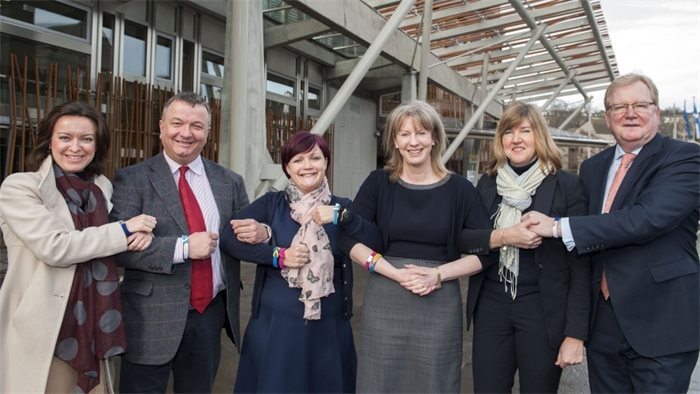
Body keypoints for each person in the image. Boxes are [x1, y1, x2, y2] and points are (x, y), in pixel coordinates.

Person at [523, 73, 700, 393]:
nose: (629, 113)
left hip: (662, 322)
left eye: (640, 105)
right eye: (619, 106)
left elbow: (647, 219)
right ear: (607, 117)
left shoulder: (685, 158)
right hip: (603, 324)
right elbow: (586, 245)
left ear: (657, 112)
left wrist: (557, 226)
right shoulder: (592, 168)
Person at [109, 92, 267, 393]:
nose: (186, 133)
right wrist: (181, 248)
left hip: (209, 313)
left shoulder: (229, 181)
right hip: (150, 317)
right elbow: (118, 248)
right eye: (177, 123)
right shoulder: (133, 179)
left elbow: (242, 236)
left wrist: (263, 232)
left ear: (207, 132)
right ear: (161, 126)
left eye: (196, 125)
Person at [337, 100, 494, 393]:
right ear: (395, 141)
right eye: (405, 134)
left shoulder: (460, 190)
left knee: (435, 382)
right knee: (379, 381)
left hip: (439, 300)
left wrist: (437, 274)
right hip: (385, 298)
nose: (413, 142)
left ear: (434, 138)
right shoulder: (378, 183)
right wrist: (395, 273)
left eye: (421, 133)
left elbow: (486, 252)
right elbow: (347, 237)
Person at [0, 101, 156, 393]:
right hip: (44, 331)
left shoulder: (101, 187)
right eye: (65, 137)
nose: (76, 147)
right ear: (49, 141)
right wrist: (123, 230)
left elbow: (106, 245)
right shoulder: (20, 187)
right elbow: (55, 247)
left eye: (86, 139)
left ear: (97, 145)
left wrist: (137, 238)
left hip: (94, 328)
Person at [465, 101, 590, 393]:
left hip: (543, 310)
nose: (516, 139)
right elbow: (465, 239)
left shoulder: (567, 186)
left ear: (540, 136)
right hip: (492, 304)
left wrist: (575, 334)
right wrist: (504, 236)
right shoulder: (487, 184)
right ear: (500, 140)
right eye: (508, 132)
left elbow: (582, 263)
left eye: (525, 130)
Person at [219, 131, 357, 393]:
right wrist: (277, 255)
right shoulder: (271, 204)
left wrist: (345, 217)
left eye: (315, 158)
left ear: (326, 162)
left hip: (329, 326)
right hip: (276, 327)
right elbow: (228, 238)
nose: (307, 166)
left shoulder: (342, 208)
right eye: (297, 160)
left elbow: (372, 238)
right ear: (287, 168)